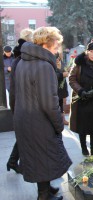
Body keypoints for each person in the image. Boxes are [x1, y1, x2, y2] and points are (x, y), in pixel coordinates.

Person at [14, 26, 72, 200]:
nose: (57, 51)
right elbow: (49, 103)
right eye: (55, 47)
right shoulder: (44, 66)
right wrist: (59, 124)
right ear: (46, 46)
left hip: (24, 118)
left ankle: (46, 189)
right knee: (44, 156)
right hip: (40, 120)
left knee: (39, 156)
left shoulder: (23, 61)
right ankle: (44, 196)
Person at [69, 42, 93, 156]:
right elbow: (72, 79)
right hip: (80, 98)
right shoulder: (79, 63)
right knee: (82, 126)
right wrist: (80, 90)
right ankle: (83, 148)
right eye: (91, 51)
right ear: (87, 51)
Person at [7, 28, 34, 175]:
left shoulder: (20, 57)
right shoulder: (22, 59)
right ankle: (16, 162)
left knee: (23, 135)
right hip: (22, 104)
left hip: (20, 103)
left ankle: (12, 162)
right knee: (25, 136)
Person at [55, 51, 69, 125]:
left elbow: (65, 69)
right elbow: (53, 75)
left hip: (62, 87)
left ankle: (63, 119)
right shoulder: (50, 64)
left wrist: (67, 71)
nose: (57, 59)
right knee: (56, 104)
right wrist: (62, 74)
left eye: (58, 57)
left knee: (61, 104)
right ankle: (58, 120)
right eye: (56, 58)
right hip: (55, 87)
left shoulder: (62, 62)